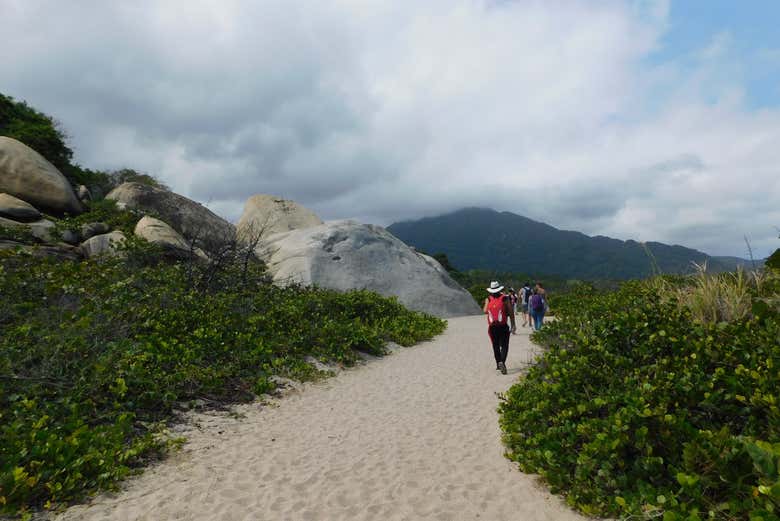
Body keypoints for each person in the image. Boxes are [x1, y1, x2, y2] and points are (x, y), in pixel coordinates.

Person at [483, 281, 516, 374]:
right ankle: (502, 361)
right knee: (505, 345)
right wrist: (513, 324)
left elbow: (485, 310)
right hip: (503, 326)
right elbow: (511, 312)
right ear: (499, 289)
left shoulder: (488, 299)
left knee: (495, 345)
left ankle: (499, 362)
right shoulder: (505, 298)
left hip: (492, 327)